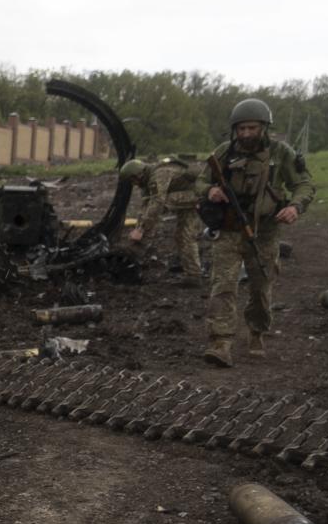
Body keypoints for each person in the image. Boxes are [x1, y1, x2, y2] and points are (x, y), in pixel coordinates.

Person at [197, 98, 315, 367]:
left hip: (264, 231)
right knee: (223, 285)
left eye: (252, 128)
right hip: (228, 229)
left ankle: (257, 331)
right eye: (241, 129)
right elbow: (201, 180)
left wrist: (295, 207)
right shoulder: (224, 152)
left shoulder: (281, 153)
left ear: (264, 127)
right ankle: (220, 342)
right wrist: (209, 191)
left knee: (261, 286)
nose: (246, 134)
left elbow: (305, 184)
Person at [118, 156, 205, 284]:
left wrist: (142, 229)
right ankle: (193, 276)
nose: (134, 184)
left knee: (161, 203)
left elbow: (157, 203)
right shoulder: (146, 182)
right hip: (187, 200)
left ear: (138, 175)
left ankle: (193, 275)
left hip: (197, 195)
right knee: (183, 236)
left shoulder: (159, 174)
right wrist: (138, 229)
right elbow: (144, 208)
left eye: (133, 180)